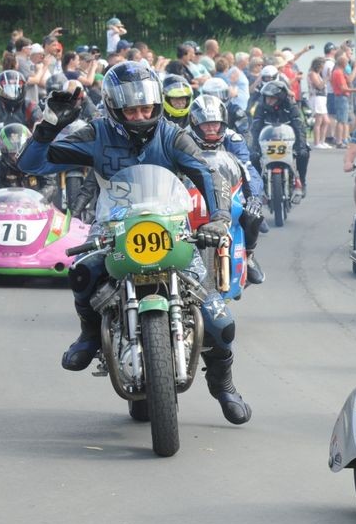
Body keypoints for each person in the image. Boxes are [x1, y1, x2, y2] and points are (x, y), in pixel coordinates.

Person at [17, 61, 251, 425]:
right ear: (113, 108)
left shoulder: (173, 135)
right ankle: (89, 334)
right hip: (112, 230)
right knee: (82, 272)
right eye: (131, 109)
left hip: (170, 230)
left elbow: (208, 172)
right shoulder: (94, 134)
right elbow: (32, 165)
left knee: (221, 324)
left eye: (147, 108)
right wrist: (49, 125)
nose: (141, 116)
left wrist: (220, 218)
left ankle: (223, 385)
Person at [188, 95, 267, 285]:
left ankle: (248, 255)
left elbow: (247, 167)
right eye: (206, 125)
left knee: (252, 215)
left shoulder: (233, 138)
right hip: (190, 192)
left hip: (229, 189)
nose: (211, 129)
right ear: (195, 123)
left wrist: (254, 197)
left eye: (215, 124)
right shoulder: (182, 137)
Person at [250, 79, 309, 199]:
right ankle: (258, 184)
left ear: (280, 97)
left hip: (288, 142)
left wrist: (301, 146)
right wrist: (254, 147)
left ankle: (301, 181)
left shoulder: (291, 107)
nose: (268, 100)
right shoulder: (261, 108)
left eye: (272, 98)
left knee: (305, 153)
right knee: (252, 156)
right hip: (267, 142)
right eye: (267, 97)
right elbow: (255, 128)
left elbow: (299, 127)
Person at [0, 123, 58, 202]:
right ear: (5, 152)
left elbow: (50, 185)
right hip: (8, 208)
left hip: (36, 207)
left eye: (20, 152)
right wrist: (2, 200)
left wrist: (37, 199)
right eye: (13, 153)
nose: (16, 157)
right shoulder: (0, 164)